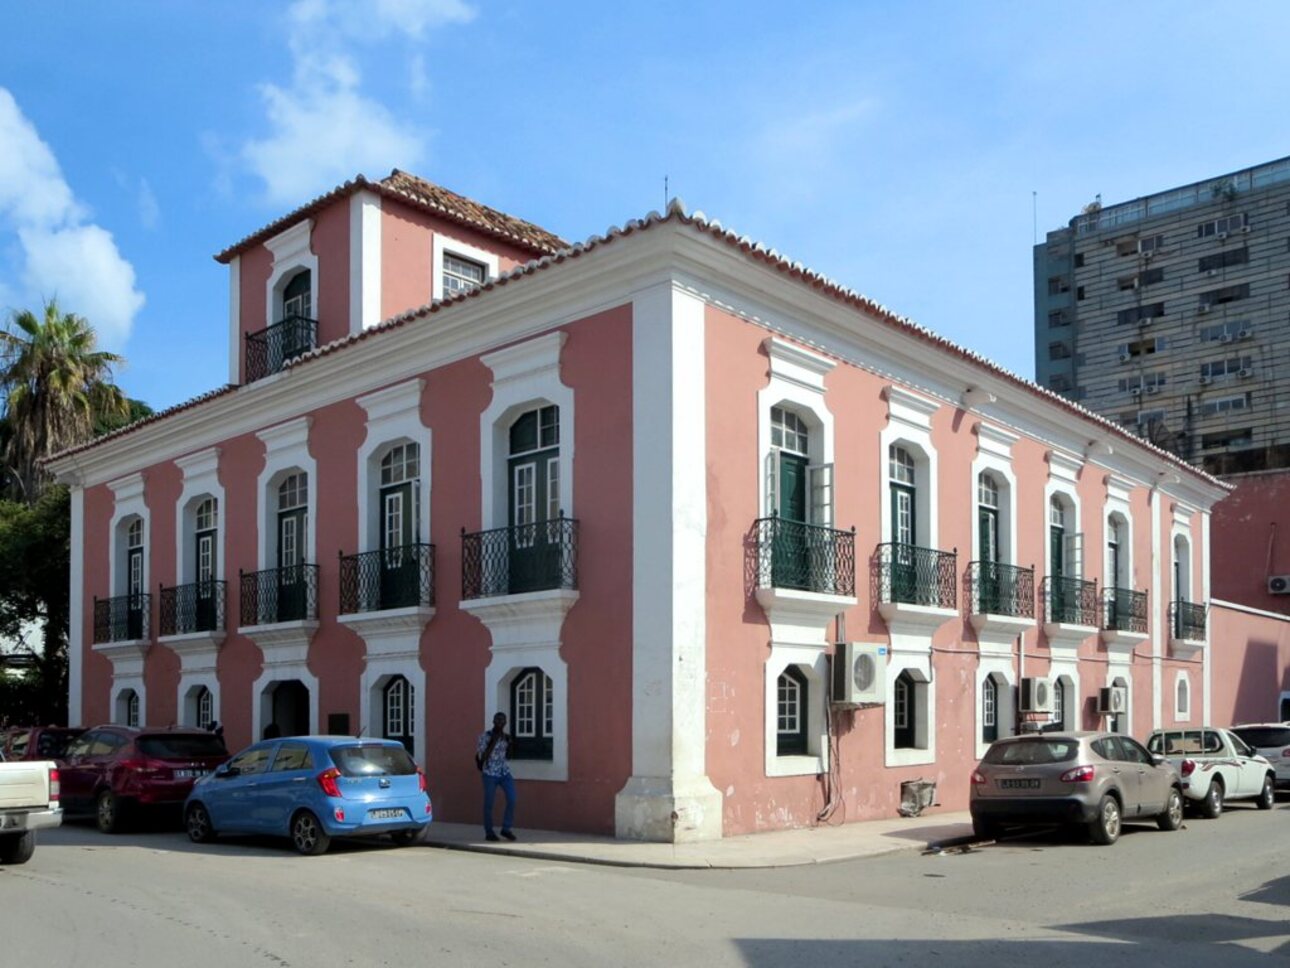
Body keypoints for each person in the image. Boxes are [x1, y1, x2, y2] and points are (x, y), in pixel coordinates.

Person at [476, 712, 517, 842]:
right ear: (493, 721)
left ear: (505, 723)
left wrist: (510, 743)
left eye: (503, 720)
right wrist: (494, 740)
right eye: (498, 720)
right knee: (489, 804)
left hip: (504, 772)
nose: (500, 722)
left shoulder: (505, 737)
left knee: (512, 798)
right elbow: (483, 757)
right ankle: (489, 832)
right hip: (489, 774)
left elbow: (509, 757)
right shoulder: (485, 737)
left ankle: (506, 828)